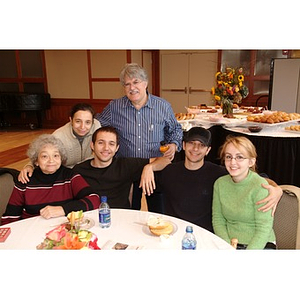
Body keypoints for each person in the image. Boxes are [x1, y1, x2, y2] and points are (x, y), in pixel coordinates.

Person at [154, 126, 282, 233]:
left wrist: (277, 189)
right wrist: (149, 167)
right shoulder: (169, 172)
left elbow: (256, 179)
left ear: (208, 150)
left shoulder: (219, 173)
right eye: (191, 143)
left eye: (201, 145)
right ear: (183, 145)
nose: (195, 149)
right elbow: (141, 178)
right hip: (175, 233)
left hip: (207, 235)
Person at [95, 63, 182, 213]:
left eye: (136, 82)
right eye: (127, 84)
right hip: (127, 168)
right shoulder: (115, 107)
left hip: (155, 165)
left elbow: (175, 129)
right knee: (128, 213)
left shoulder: (162, 106)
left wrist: (174, 144)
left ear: (145, 83)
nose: (131, 87)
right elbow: (97, 125)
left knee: (159, 213)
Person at [1, 134, 100, 225]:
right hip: (32, 231)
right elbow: (10, 218)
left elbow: (94, 199)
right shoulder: (25, 180)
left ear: (61, 158)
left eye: (56, 155)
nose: (51, 160)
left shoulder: (70, 176)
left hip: (65, 230)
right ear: (36, 161)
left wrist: (62, 209)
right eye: (44, 156)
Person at [72, 126, 172, 208]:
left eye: (111, 144)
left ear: (117, 148)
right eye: (101, 143)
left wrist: (149, 167)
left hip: (122, 220)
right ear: (92, 145)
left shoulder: (125, 165)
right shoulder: (79, 170)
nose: (106, 148)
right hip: (90, 222)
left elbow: (166, 161)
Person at [212, 135, 276, 249]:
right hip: (230, 244)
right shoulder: (220, 184)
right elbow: (218, 221)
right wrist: (227, 247)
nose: (232, 162)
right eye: (228, 157)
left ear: (251, 161)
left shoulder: (260, 187)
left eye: (239, 157)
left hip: (260, 245)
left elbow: (264, 228)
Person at [18, 102, 101, 182]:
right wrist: (29, 166)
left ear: (92, 122)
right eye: (78, 121)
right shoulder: (58, 136)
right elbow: (41, 154)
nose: (83, 127)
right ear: (71, 120)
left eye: (87, 122)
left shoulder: (96, 127)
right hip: (65, 175)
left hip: (88, 171)